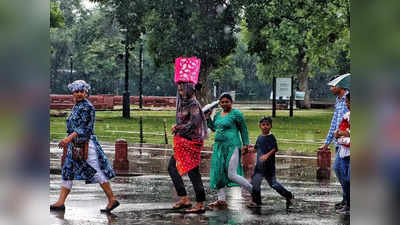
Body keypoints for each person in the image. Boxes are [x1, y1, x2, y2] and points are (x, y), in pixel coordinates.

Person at [50, 80, 119, 213]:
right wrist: (69, 141)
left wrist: (68, 138)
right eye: (76, 91)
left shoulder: (87, 107)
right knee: (68, 170)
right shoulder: (77, 106)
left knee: (95, 170)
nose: (79, 94)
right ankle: (60, 202)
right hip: (75, 144)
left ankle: (112, 199)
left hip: (86, 144)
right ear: (72, 93)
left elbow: (84, 128)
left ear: (86, 93)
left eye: (82, 91)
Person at [205, 92, 253, 208]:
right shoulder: (217, 115)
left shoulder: (236, 114)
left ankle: (254, 191)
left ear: (231, 102)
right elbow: (213, 128)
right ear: (219, 103)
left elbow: (243, 129)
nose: (224, 104)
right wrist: (207, 118)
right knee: (218, 172)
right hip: (219, 147)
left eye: (227, 101)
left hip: (232, 146)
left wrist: (246, 144)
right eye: (222, 102)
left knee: (231, 174)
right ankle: (221, 199)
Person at [168, 82, 208, 214]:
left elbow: (194, 124)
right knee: (172, 168)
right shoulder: (182, 103)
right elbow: (183, 121)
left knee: (193, 172)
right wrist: (178, 126)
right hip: (181, 142)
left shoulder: (194, 104)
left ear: (189, 90)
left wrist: (178, 127)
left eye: (182, 89)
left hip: (191, 142)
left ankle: (200, 203)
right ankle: (184, 198)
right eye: (179, 89)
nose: (180, 91)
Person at [246, 116, 294, 209]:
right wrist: (249, 150)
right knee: (255, 182)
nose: (265, 127)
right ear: (259, 126)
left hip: (269, 166)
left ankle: (288, 195)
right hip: (259, 166)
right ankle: (256, 201)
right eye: (263, 125)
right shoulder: (259, 137)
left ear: (271, 126)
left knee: (273, 184)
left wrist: (266, 155)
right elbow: (256, 148)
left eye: (267, 125)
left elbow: (275, 149)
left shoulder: (271, 137)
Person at [319, 74, 349, 210]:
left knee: (344, 172)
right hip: (339, 142)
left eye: (333, 85)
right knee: (340, 170)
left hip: (348, 143)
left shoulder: (350, 99)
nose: (331, 88)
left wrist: (344, 133)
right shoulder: (339, 100)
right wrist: (327, 142)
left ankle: (348, 201)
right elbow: (334, 122)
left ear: (341, 86)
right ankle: (346, 199)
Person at [334, 93, 350, 215]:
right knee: (344, 177)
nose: (347, 104)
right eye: (347, 102)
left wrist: (344, 135)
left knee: (350, 179)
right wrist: (342, 135)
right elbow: (339, 135)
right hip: (344, 152)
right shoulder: (347, 116)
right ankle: (347, 202)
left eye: (349, 102)